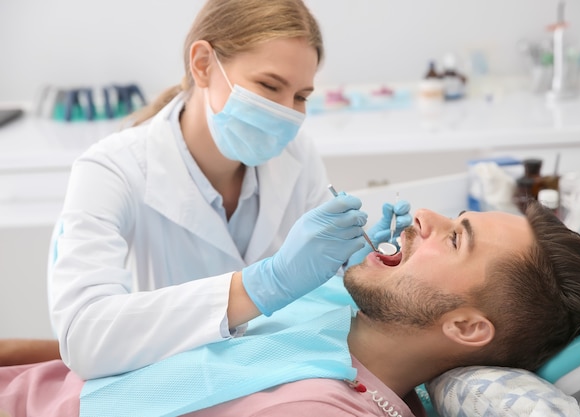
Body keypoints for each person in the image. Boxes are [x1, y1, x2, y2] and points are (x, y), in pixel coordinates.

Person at [46, 0, 412, 380]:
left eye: (301, 97)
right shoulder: (111, 169)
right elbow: (84, 338)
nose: (287, 112)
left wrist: (353, 263)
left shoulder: (295, 154)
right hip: (168, 384)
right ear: (203, 64)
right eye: (269, 86)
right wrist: (265, 284)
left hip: (267, 378)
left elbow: (317, 283)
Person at [2, 202, 580, 416]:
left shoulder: (327, 406)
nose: (424, 218)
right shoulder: (332, 304)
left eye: (455, 239)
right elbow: (115, 356)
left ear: (466, 326)